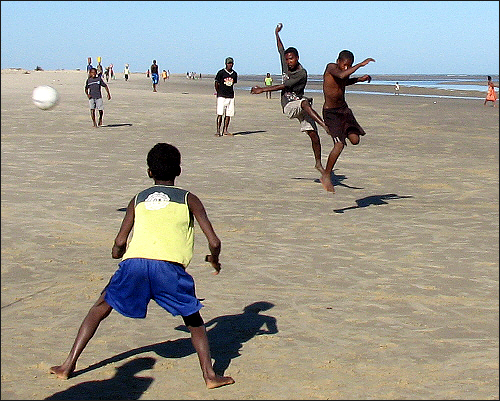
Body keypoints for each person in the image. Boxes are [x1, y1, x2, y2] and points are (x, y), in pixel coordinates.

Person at [49, 143, 235, 390]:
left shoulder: (138, 199)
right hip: (169, 268)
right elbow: (214, 241)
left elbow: (119, 241)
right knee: (193, 319)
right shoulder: (189, 199)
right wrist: (214, 258)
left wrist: (117, 253)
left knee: (100, 307)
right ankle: (210, 375)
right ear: (179, 170)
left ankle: (67, 365)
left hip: (134, 264)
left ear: (149, 172)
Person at [250, 23, 331, 174]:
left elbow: (284, 85)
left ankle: (319, 164)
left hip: (301, 105)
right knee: (305, 102)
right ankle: (325, 125)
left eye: (291, 59)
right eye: (287, 60)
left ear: (297, 58)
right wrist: (276, 34)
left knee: (314, 136)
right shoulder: (285, 63)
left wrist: (262, 89)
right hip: (289, 106)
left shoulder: (302, 73)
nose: (288, 62)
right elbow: (280, 48)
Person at [320, 50, 375, 193]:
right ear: (338, 61)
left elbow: (344, 80)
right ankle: (326, 175)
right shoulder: (331, 67)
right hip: (331, 113)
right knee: (339, 144)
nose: (346, 68)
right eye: (345, 65)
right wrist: (360, 65)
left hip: (344, 111)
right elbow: (341, 75)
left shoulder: (343, 72)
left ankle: (338, 132)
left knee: (355, 140)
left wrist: (358, 79)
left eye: (348, 66)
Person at [214, 57, 238, 136]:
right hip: (221, 96)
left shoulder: (234, 74)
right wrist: (218, 92)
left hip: (230, 96)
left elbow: (233, 83)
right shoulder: (221, 72)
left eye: (231, 63)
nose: (230, 65)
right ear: (226, 64)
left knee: (228, 114)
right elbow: (216, 83)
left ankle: (225, 130)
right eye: (228, 63)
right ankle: (218, 131)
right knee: (220, 113)